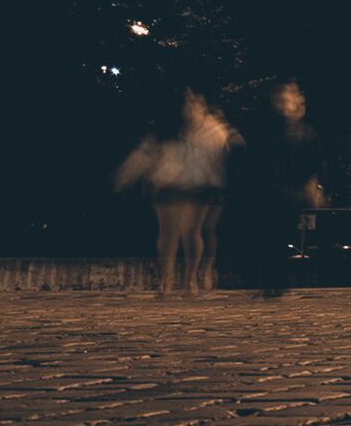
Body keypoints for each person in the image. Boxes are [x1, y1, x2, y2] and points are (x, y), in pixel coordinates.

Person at [113, 91, 233, 298]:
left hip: (196, 187)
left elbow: (220, 159)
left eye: (195, 104)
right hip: (169, 185)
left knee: (190, 232)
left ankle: (190, 278)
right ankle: (166, 279)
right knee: (168, 233)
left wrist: (218, 182)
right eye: (187, 104)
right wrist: (125, 177)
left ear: (201, 106)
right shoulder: (165, 130)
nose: (190, 108)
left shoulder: (213, 132)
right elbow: (144, 154)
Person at [227, 83, 320, 296]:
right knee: (269, 235)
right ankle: (272, 281)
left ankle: (274, 282)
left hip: (286, 190)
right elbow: (254, 155)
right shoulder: (269, 128)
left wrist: (309, 184)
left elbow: (313, 160)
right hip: (269, 189)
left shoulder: (303, 132)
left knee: (276, 235)